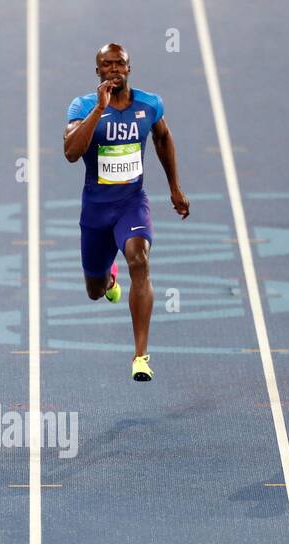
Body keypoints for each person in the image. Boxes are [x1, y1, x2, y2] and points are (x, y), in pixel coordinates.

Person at [64, 43, 188, 382]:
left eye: (120, 63)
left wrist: (175, 188)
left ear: (130, 68)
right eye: (107, 64)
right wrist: (98, 110)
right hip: (96, 210)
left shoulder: (149, 104)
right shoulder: (83, 106)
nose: (114, 69)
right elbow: (71, 152)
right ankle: (108, 279)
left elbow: (163, 138)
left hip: (132, 204)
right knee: (94, 289)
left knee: (140, 258)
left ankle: (140, 355)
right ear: (98, 72)